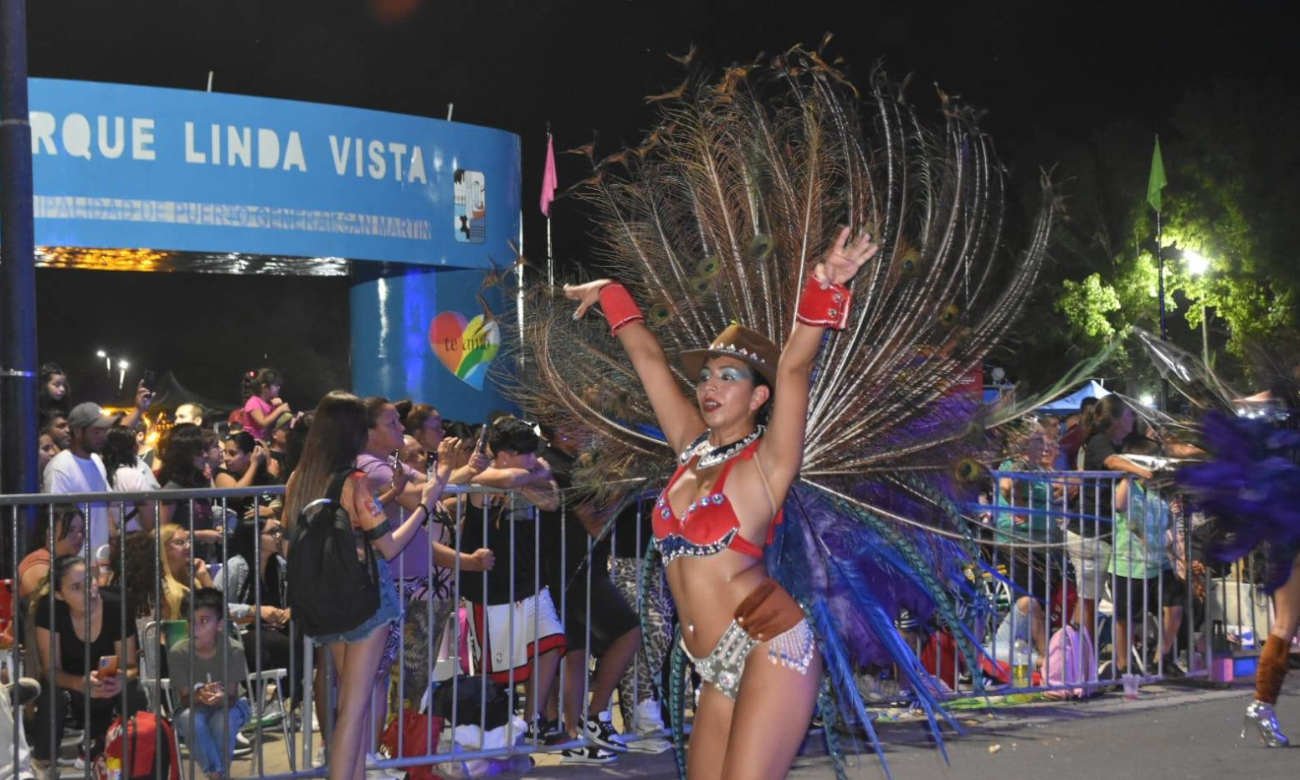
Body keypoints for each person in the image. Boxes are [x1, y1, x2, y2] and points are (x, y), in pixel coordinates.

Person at [562, 225, 875, 778]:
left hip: (768, 646)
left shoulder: (768, 463)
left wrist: (823, 287)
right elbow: (651, 364)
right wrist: (613, 292)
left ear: (758, 397)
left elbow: (796, 367)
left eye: (728, 377)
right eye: (706, 376)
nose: (709, 385)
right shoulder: (690, 449)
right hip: (711, 663)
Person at [282, 390, 450, 780]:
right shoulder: (354, 481)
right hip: (364, 600)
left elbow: (295, 539)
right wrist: (428, 500)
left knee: (348, 706)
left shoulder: (298, 479)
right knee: (354, 711)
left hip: (323, 602)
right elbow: (388, 546)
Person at [462, 416, 565, 733]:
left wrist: (531, 476)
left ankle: (531, 721)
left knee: (552, 643)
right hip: (493, 587)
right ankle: (493, 732)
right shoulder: (483, 477)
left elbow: (552, 499)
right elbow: (507, 479)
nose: (534, 459)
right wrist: (533, 476)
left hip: (530, 582)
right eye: (526, 454)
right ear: (505, 453)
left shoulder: (523, 474)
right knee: (498, 672)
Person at [29, 555, 145, 773]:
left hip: (110, 683)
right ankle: (44, 764)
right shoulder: (49, 610)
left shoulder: (116, 606)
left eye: (90, 580)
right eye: (76, 587)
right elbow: (51, 670)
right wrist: (81, 683)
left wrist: (120, 679)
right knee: (51, 695)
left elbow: (132, 666)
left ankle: (138, 760)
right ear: (59, 595)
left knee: (134, 691)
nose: (89, 591)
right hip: (71, 685)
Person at [169, 587, 251, 780]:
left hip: (231, 706)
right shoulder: (178, 653)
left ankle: (216, 774)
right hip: (193, 708)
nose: (195, 628)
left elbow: (231, 697)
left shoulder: (233, 649)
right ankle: (217, 774)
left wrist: (221, 697)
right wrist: (199, 695)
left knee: (222, 720)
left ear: (220, 625)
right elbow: (184, 700)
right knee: (191, 719)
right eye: (191, 621)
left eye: (204, 621)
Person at [42, 403, 117, 555]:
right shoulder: (60, 467)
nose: (103, 436)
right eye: (97, 431)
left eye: (104, 430)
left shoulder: (96, 460)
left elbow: (106, 502)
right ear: (77, 431)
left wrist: (112, 536)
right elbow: (58, 520)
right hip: (76, 561)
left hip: (100, 555)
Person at [18, 506, 86, 600]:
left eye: (82, 531)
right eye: (70, 530)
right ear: (50, 534)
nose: (79, 536)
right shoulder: (37, 565)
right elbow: (52, 605)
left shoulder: (66, 563)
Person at [102, 425, 160, 534]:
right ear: (134, 447)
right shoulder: (132, 476)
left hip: (109, 537)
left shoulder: (99, 472)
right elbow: (149, 522)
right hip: (133, 539)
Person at [239, 369, 292, 443]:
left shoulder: (271, 403)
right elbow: (262, 423)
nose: (278, 388)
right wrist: (280, 409)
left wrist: (280, 406)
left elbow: (281, 422)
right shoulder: (253, 402)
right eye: (276, 385)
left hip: (264, 442)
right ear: (264, 387)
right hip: (252, 444)